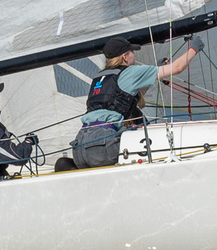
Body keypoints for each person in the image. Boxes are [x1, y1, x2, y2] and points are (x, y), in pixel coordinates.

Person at [74, 37, 200, 166]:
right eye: (132, 52)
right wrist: (194, 49)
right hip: (103, 144)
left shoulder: (99, 76)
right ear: (125, 57)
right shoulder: (131, 72)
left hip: (80, 144)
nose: (134, 55)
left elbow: (126, 97)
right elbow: (177, 67)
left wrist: (154, 72)